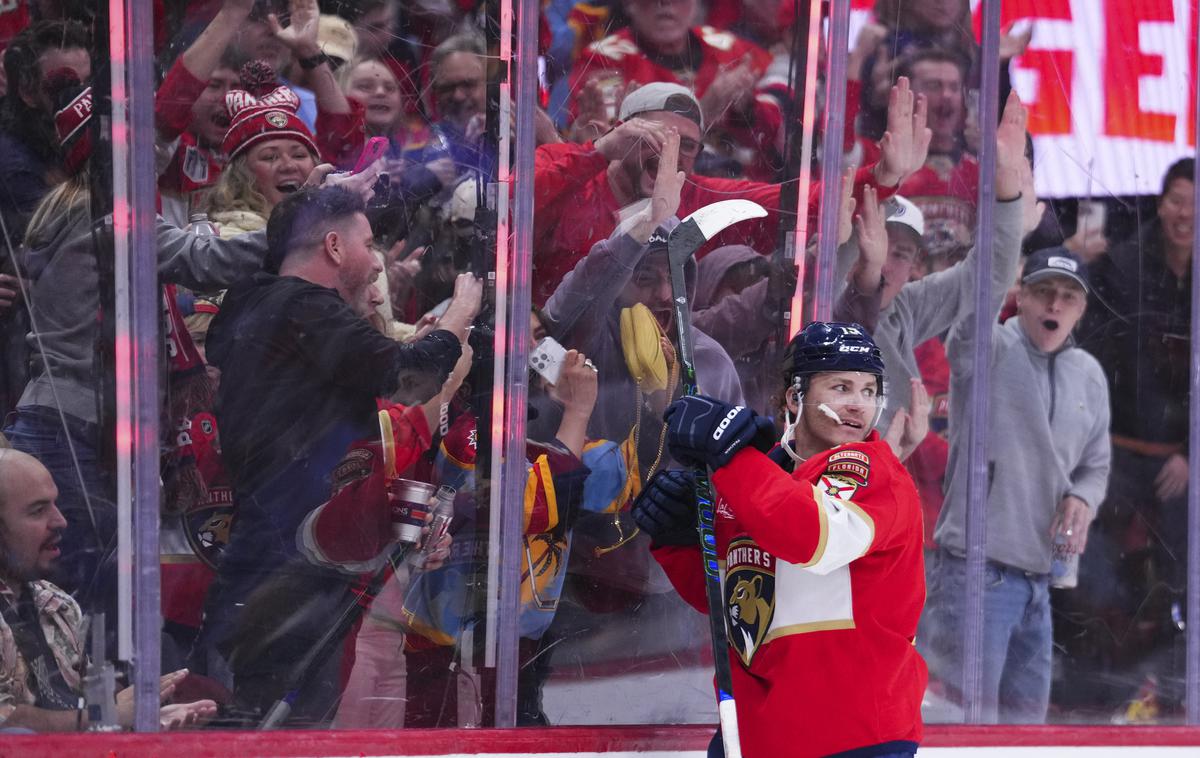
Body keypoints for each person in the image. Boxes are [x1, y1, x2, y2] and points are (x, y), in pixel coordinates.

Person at [196, 185, 481, 722]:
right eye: (368, 243)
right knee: (280, 728)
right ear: (332, 246)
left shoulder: (255, 303)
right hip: (288, 568)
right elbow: (409, 378)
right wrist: (460, 312)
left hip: (276, 556)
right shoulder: (300, 305)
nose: (376, 261)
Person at [638, 321, 928, 757]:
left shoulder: (870, 470)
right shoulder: (758, 485)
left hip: (851, 735)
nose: (858, 405)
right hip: (757, 734)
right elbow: (731, 603)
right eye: (841, 387)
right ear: (795, 397)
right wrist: (680, 540)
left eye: (869, 390)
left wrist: (731, 457)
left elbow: (810, 535)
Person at [921, 246, 1111, 723]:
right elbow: (965, 328)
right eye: (1043, 292)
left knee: (1027, 732)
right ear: (1019, 297)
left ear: (1082, 310)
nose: (1054, 305)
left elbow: (1096, 464)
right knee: (963, 728)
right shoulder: (989, 349)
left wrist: (1082, 497)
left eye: (1068, 297)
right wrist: (999, 259)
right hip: (976, 573)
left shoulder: (1088, 375)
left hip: (1040, 582)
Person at [532, 78, 929, 305]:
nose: (672, 151)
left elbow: (805, 204)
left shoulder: (702, 199)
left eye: (688, 145)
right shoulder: (574, 171)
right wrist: (596, 154)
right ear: (621, 135)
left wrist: (883, 175)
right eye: (654, 135)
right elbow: (513, 207)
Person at [1076, 156, 1194, 712]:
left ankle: (1177, 687)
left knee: (1183, 570)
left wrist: (1190, 453)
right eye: (1177, 199)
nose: (1185, 213)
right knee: (1092, 566)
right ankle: (1098, 686)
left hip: (1182, 461)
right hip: (1118, 449)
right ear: (1161, 201)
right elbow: (1101, 363)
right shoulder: (1123, 266)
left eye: (1195, 203)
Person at [0, 449, 217, 731]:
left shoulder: (56, 603)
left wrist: (147, 719)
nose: (60, 521)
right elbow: (7, 725)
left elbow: (92, 709)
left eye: (55, 504)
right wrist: (109, 715)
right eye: (38, 510)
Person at [0, 19, 90, 244]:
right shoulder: (16, 167)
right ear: (28, 93)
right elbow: (58, 252)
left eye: (87, 85)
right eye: (65, 88)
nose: (82, 101)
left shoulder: (85, 136)